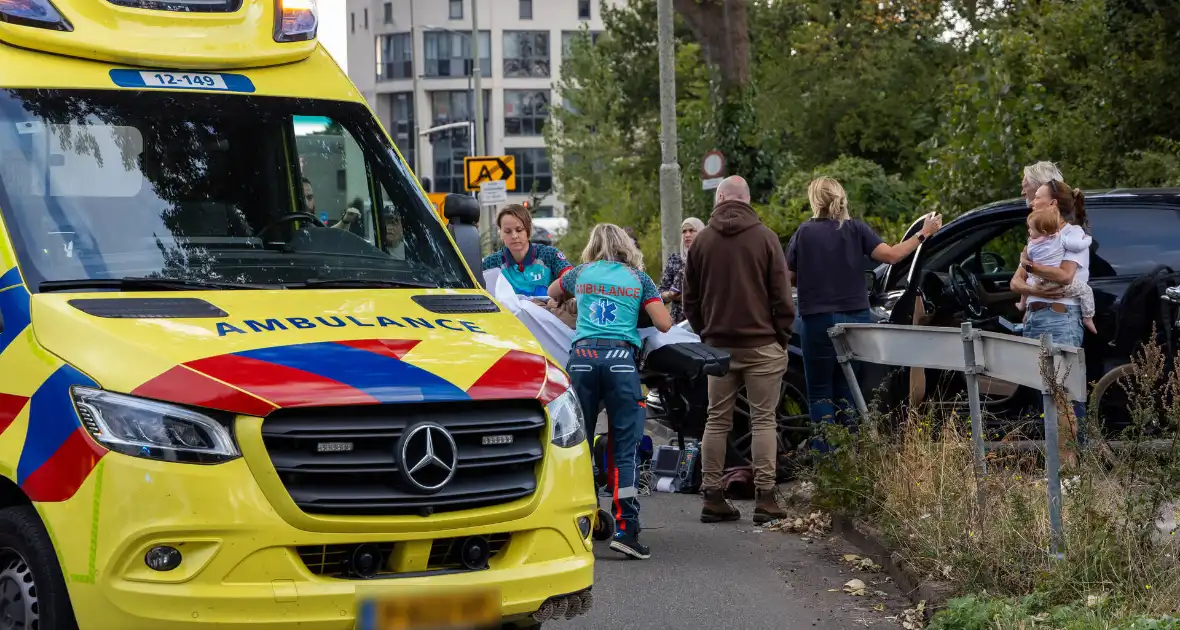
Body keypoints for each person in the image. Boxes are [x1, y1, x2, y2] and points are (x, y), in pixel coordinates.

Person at [548, 223, 673, 560]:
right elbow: (664, 323)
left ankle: (580, 523)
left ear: (593, 246)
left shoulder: (581, 273)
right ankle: (626, 528)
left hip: (582, 360)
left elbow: (552, 291)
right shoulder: (639, 280)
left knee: (575, 446)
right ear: (625, 247)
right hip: (620, 361)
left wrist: (579, 303)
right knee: (624, 450)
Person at [786, 177, 941, 446]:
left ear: (815, 200)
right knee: (849, 388)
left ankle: (828, 463)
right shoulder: (856, 230)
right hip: (855, 319)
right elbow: (893, 255)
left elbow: (788, 276)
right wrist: (923, 233)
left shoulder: (804, 233)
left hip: (817, 320)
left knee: (821, 393)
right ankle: (854, 456)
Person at [682, 176, 795, 526]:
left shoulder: (701, 243)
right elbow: (782, 295)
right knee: (764, 420)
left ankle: (712, 496)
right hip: (762, 344)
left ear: (719, 199)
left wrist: (706, 333)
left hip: (718, 347)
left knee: (717, 419)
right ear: (747, 200)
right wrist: (781, 336)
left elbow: (690, 300)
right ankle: (766, 498)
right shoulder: (766, 238)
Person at [1010, 179, 1090, 462]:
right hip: (1034, 316)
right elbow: (1015, 283)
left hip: (1059, 318)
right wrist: (1033, 286)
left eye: (1038, 197)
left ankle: (1070, 470)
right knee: (1046, 395)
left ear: (1053, 203)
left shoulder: (1072, 235)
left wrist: (1030, 267)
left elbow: (1065, 276)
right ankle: (1058, 466)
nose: (1032, 201)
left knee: (1062, 397)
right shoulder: (1037, 236)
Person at [1016, 207, 1096, 333]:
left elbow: (1026, 265)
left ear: (1041, 231)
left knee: (1027, 281)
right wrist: (1088, 239)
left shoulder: (1031, 245)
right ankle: (1088, 317)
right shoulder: (1060, 238)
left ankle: (1022, 305)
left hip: (1038, 280)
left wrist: (1025, 262)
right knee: (1086, 291)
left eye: (1030, 229)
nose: (1028, 231)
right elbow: (1077, 246)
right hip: (1056, 284)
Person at [482, 204, 572, 298]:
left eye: (519, 230)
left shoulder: (550, 255)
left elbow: (571, 279)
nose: (514, 236)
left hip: (547, 311)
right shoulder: (491, 263)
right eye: (507, 232)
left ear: (528, 230)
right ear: (500, 233)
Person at [658, 217, 705, 324]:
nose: (687, 235)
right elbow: (659, 294)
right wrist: (670, 295)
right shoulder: (675, 259)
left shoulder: (709, 258)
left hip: (703, 318)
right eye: (684, 231)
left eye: (692, 231)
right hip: (678, 321)